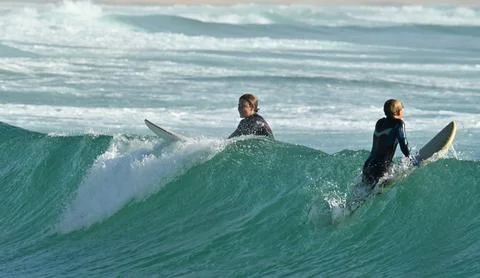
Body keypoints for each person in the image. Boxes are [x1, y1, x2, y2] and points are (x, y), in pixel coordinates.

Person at [362, 99, 412, 187]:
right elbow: (404, 145)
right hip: (380, 169)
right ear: (399, 112)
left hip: (368, 165)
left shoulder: (379, 122)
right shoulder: (399, 124)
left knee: (363, 196)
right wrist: (411, 159)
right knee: (375, 195)